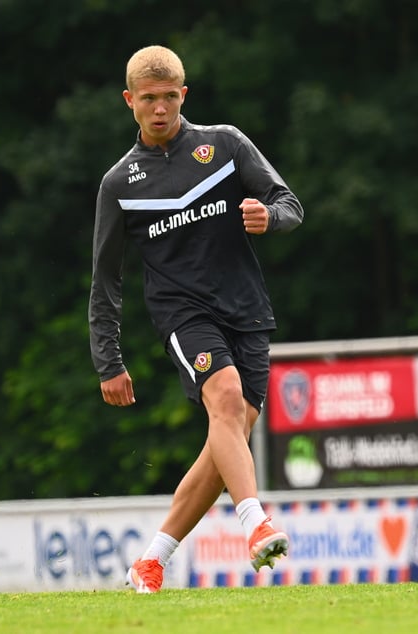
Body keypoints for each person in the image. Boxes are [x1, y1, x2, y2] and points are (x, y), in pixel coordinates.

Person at [89, 44, 304, 593]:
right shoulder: (119, 184)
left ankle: (151, 561)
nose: (159, 108)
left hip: (248, 310)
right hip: (182, 314)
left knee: (224, 440)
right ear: (129, 102)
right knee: (226, 401)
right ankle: (256, 526)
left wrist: (268, 217)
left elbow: (288, 203)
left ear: (183, 96)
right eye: (147, 99)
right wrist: (108, 359)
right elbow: (105, 278)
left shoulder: (224, 145)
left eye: (168, 97)